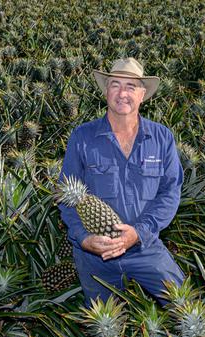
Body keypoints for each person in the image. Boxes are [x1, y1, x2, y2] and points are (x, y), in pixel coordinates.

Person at [58, 57, 185, 305]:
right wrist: (84, 239)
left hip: (145, 248)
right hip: (96, 255)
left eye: (131, 86)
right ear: (106, 91)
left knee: (183, 305)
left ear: (142, 94)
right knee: (104, 331)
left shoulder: (161, 138)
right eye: (115, 85)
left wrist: (138, 233)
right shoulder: (83, 137)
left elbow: (170, 193)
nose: (122, 93)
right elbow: (66, 196)